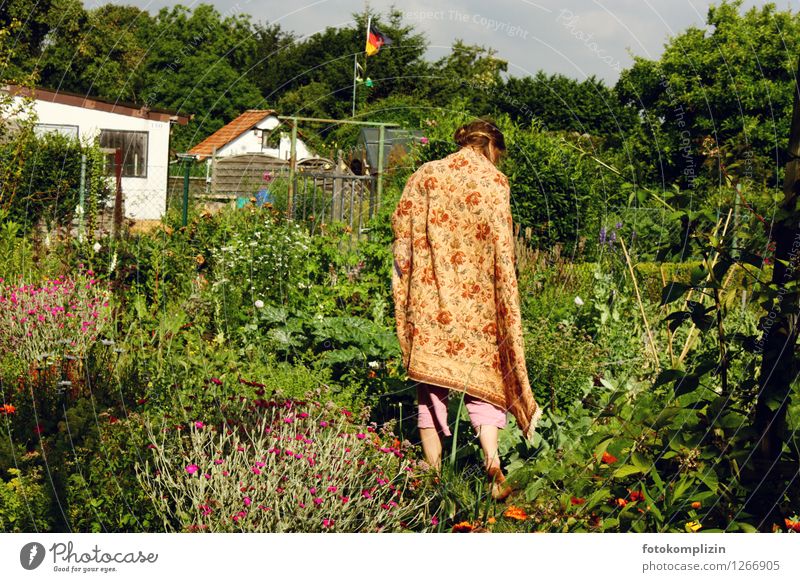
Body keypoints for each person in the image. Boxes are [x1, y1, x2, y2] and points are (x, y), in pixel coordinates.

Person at [390, 118, 544, 500]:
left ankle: (432, 469)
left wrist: (407, 284)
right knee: (486, 388)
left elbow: (402, 231)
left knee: (431, 386)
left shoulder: (426, 175)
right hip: (479, 305)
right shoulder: (495, 182)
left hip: (431, 298)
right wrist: (506, 299)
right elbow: (502, 250)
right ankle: (493, 464)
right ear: (493, 148)